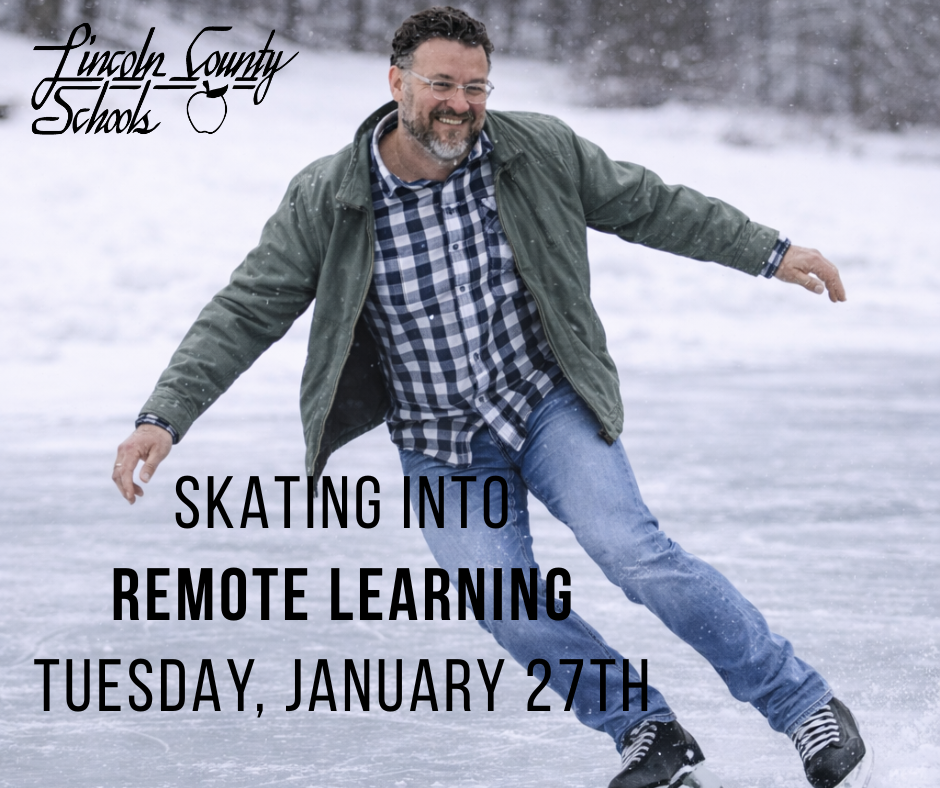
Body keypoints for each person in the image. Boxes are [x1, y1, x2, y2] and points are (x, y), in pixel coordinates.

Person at [112, 7, 872, 788]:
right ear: (397, 83)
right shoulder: (331, 198)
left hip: (546, 403)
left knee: (636, 556)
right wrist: (162, 416)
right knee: (506, 605)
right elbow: (246, 308)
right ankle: (646, 731)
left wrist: (768, 252)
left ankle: (803, 703)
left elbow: (652, 204)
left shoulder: (534, 150)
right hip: (441, 441)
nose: (461, 103)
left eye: (476, 86)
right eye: (441, 83)